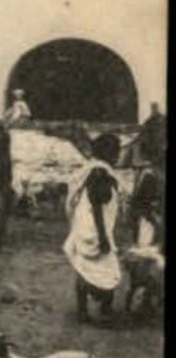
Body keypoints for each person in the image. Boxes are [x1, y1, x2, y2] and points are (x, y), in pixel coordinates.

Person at [62, 134, 124, 325]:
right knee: (109, 271)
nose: (118, 155)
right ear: (108, 152)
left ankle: (83, 311)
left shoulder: (92, 170)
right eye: (116, 151)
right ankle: (105, 309)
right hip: (95, 230)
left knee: (83, 268)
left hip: (84, 227)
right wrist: (104, 237)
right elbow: (97, 206)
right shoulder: (100, 173)